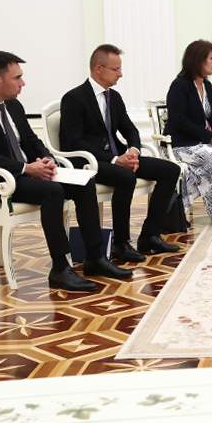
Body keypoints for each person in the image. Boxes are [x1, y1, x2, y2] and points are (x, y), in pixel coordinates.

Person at [0, 51, 122, 292]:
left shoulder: (13, 105)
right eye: (17, 78)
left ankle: (95, 258)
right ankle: (60, 269)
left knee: (84, 182)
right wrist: (25, 168)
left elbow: (32, 141)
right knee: (52, 191)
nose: (23, 83)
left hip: (26, 174)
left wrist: (48, 160)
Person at [60, 44, 181, 262]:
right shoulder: (74, 98)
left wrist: (133, 150)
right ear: (99, 69)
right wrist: (116, 159)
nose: (120, 74)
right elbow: (73, 142)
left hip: (120, 158)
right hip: (91, 162)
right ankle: (121, 243)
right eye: (116, 69)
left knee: (170, 170)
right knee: (125, 176)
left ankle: (150, 236)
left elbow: (130, 130)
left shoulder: (114, 97)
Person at [165, 40, 212, 228]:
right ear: (198, 60)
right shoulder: (179, 86)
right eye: (211, 58)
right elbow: (179, 121)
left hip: (200, 143)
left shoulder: (207, 85)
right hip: (181, 144)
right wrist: (210, 138)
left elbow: (209, 119)